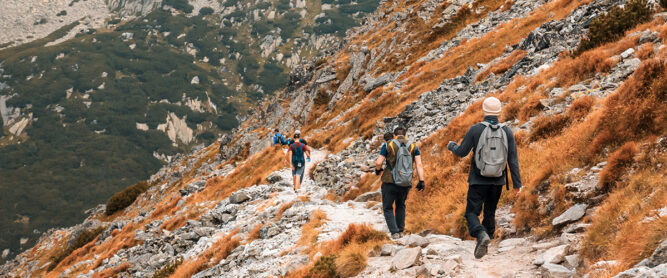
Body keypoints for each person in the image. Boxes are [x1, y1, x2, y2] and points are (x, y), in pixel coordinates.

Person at [447, 97, 522, 259]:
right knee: (490, 211)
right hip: (498, 180)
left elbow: (461, 152)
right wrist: (517, 184)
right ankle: (488, 242)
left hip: (478, 180)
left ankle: (481, 235)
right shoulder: (507, 131)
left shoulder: (476, 129)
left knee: (471, 213)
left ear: (484, 110)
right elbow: (513, 159)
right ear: (499, 111)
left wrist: (452, 145)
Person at [375, 126, 425, 240]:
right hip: (405, 182)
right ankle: (401, 231)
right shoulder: (413, 145)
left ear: (395, 135)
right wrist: (421, 181)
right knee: (401, 205)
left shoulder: (388, 144)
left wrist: (378, 170)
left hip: (389, 181)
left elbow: (379, 162)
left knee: (387, 207)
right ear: (406, 135)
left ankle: (394, 233)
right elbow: (419, 164)